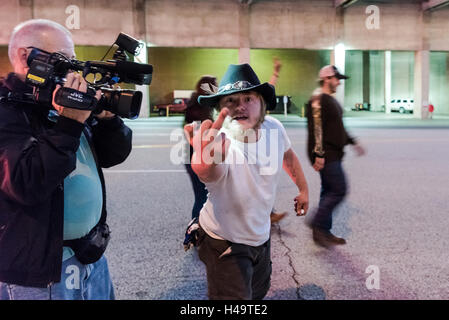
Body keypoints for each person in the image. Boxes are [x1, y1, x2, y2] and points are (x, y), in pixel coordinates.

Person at [0, 19, 132, 299]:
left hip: (90, 257)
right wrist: (68, 124)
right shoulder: (6, 108)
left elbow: (113, 155)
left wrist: (108, 121)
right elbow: (26, 182)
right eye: (62, 60)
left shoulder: (56, 98)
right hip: (39, 271)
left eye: (73, 61)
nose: (71, 70)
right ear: (26, 57)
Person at [184, 63, 309, 300]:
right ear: (220, 109)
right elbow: (208, 170)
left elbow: (288, 157)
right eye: (230, 100)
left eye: (248, 98)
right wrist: (202, 160)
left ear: (262, 104)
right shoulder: (222, 145)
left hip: (261, 237)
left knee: (258, 292)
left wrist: (303, 189)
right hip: (224, 242)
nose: (240, 106)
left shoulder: (274, 128)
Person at [305, 65, 365, 248]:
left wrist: (353, 142)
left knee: (328, 191)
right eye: (336, 79)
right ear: (327, 79)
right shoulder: (318, 100)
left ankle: (322, 232)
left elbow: (338, 128)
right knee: (339, 189)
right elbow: (316, 128)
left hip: (334, 153)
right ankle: (316, 221)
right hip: (326, 154)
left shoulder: (330, 100)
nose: (339, 82)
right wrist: (319, 154)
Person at [184, 76, 217, 220]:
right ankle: (196, 229)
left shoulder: (196, 103)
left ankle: (198, 227)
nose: (217, 87)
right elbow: (204, 134)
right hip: (199, 155)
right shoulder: (201, 107)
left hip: (194, 154)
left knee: (203, 196)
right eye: (215, 85)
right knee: (203, 197)